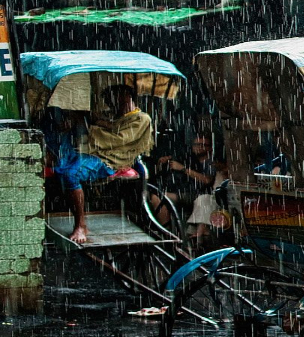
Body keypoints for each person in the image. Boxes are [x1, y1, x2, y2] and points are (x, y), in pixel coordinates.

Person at [58, 85, 154, 245]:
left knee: (70, 174)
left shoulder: (141, 118)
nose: (111, 103)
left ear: (127, 97)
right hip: (93, 153)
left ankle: (80, 225)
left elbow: (120, 139)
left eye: (115, 98)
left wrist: (95, 129)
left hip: (113, 159)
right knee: (61, 165)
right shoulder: (112, 116)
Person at [153, 134, 220, 245]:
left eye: (203, 145)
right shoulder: (189, 157)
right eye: (196, 144)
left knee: (161, 196)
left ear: (210, 148)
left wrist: (183, 169)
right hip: (183, 191)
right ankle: (166, 231)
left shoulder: (211, 162)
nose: (199, 147)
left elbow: (207, 180)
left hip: (200, 194)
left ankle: (169, 234)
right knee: (157, 196)